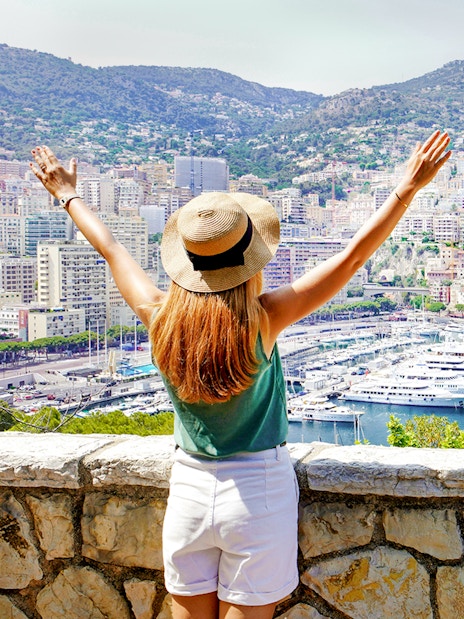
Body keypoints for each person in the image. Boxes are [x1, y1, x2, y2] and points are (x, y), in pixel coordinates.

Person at [31, 130, 451, 619]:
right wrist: (407, 188)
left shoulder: (158, 314)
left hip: (187, 490)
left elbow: (112, 252)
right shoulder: (264, 319)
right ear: (251, 261)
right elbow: (353, 257)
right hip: (259, 493)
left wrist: (67, 194)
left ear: (186, 262)